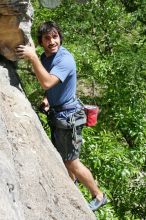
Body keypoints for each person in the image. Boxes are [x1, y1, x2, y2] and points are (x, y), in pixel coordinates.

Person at [16, 21, 107, 212]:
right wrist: (47, 99)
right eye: (47, 38)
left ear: (60, 37)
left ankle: (98, 195)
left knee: (71, 161)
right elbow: (52, 84)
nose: (52, 42)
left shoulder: (65, 59)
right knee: (61, 157)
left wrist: (32, 57)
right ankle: (71, 188)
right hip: (59, 114)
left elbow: (48, 82)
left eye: (55, 36)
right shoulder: (46, 57)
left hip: (70, 116)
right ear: (41, 41)